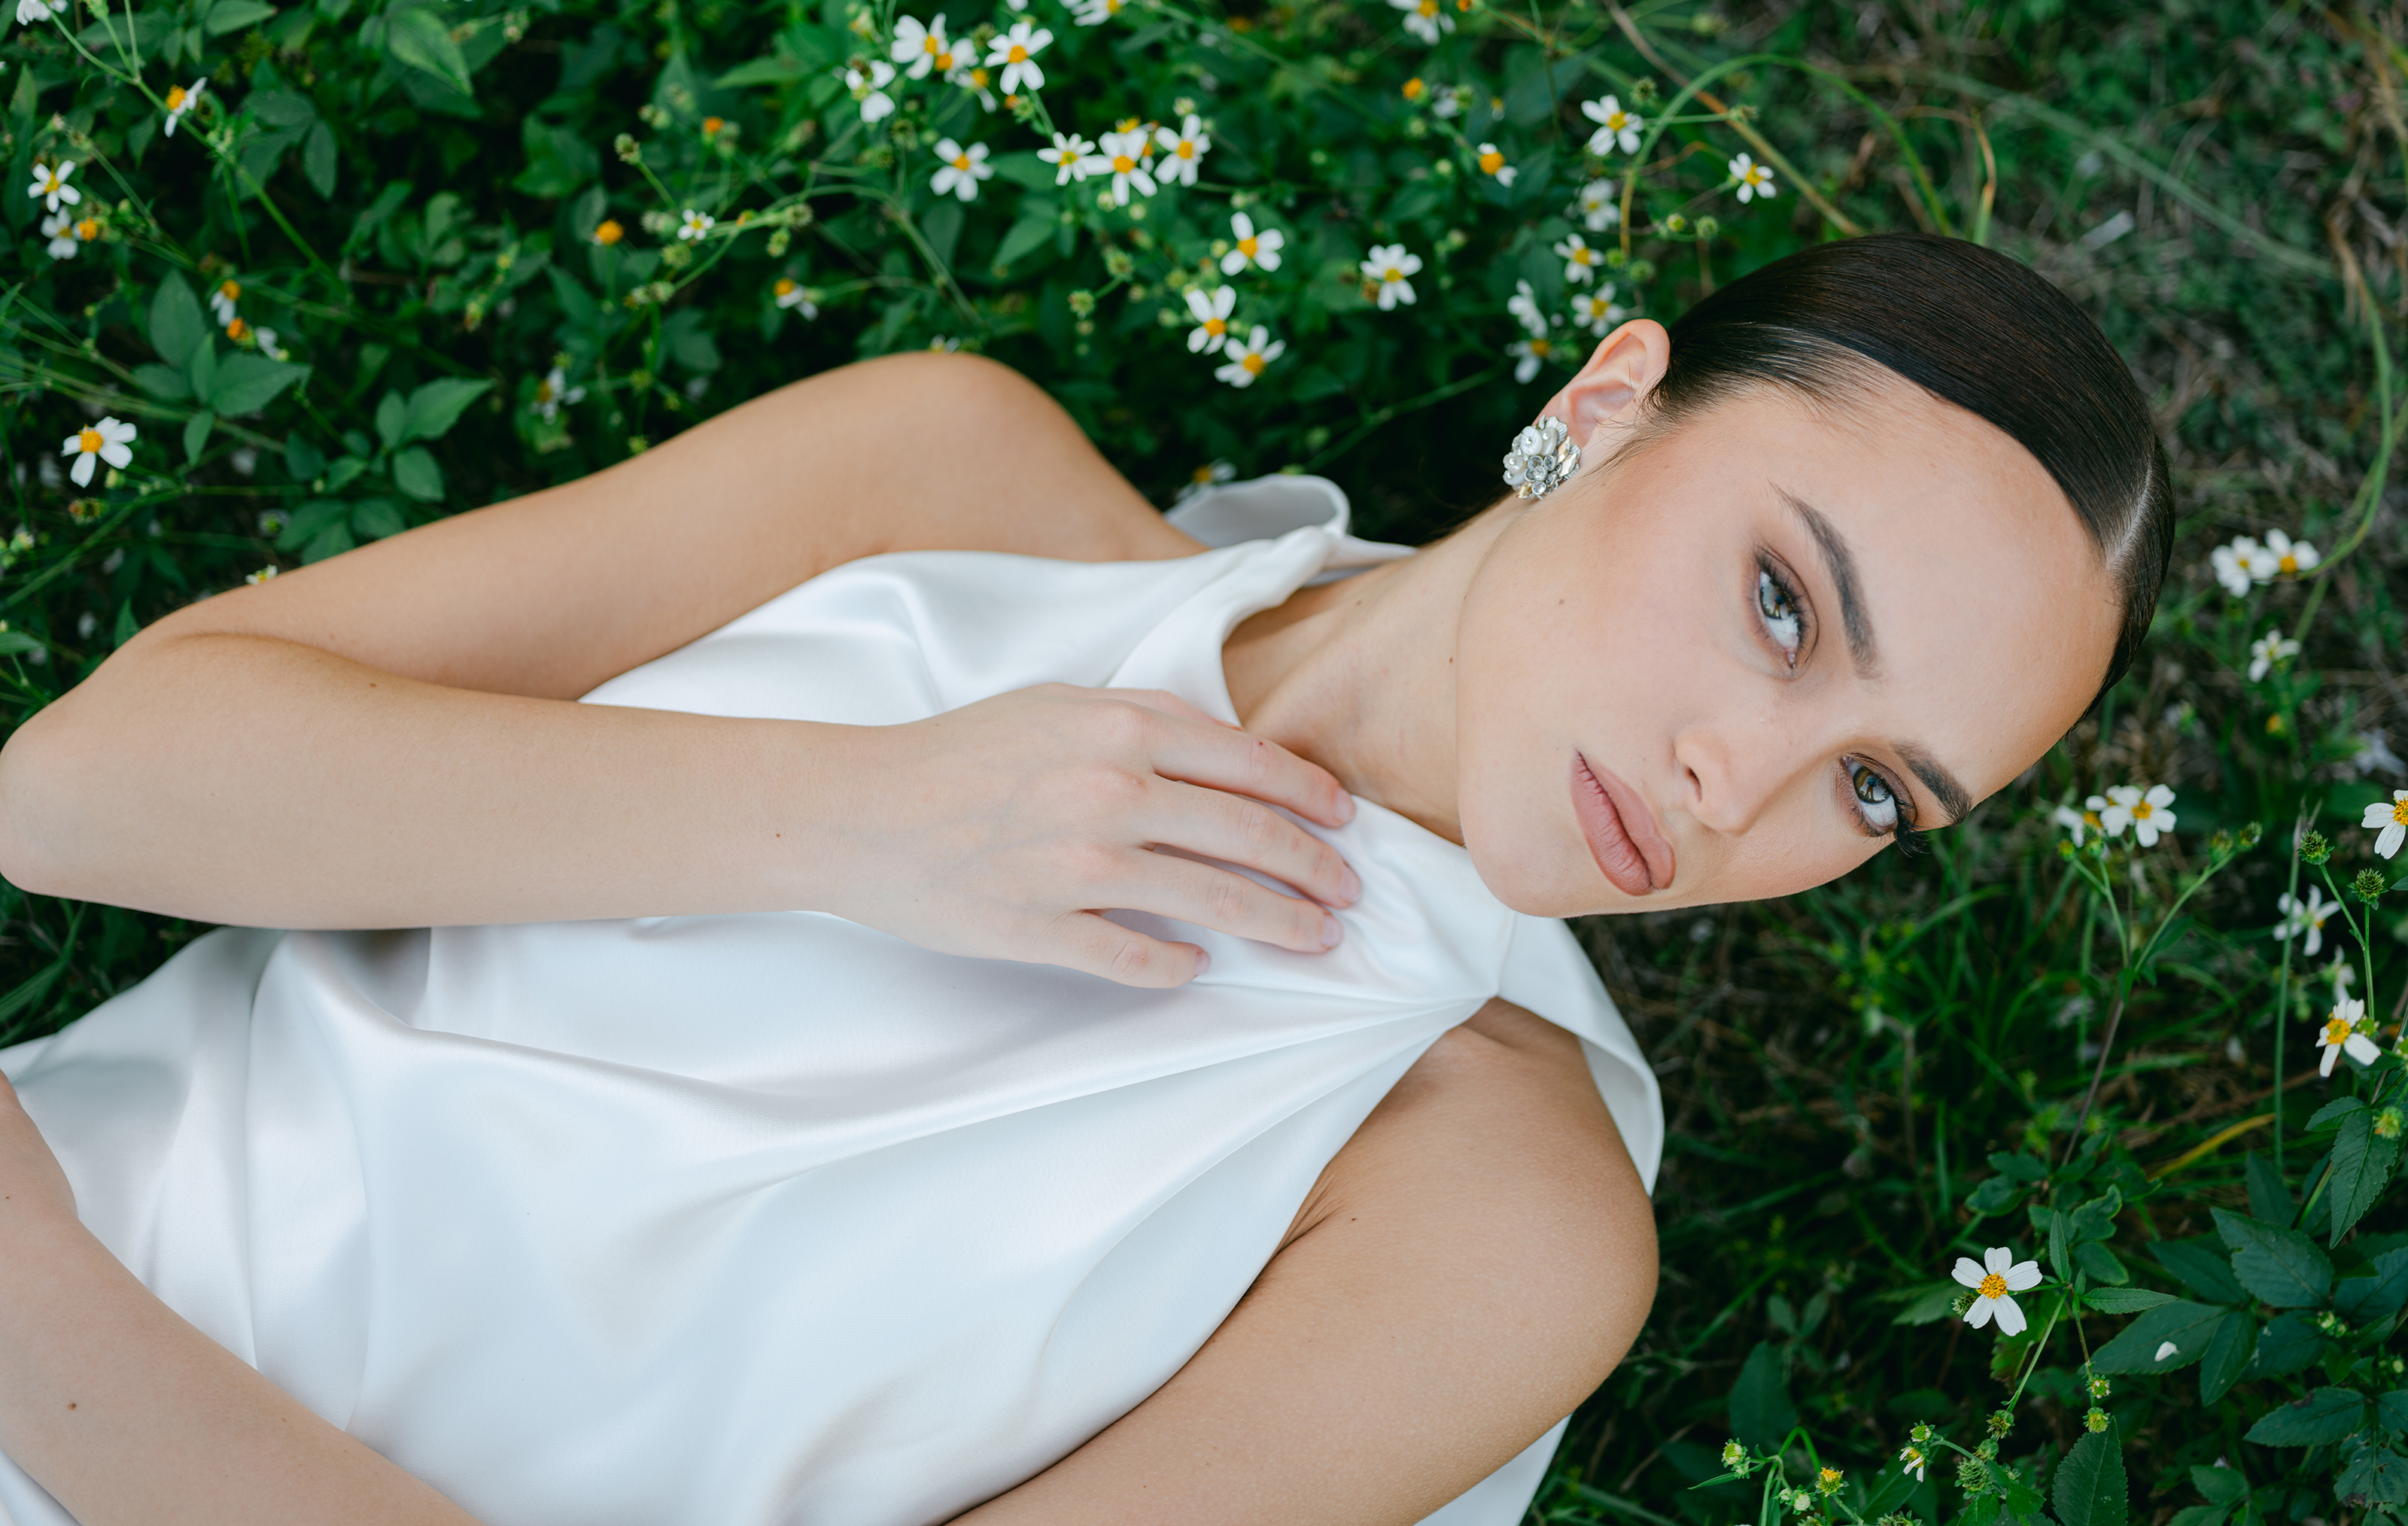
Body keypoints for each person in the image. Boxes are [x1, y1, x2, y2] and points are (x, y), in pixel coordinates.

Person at [0, 234, 2168, 1526]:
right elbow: (83, 789)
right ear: (1613, 405)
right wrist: (847, 821)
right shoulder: (951, 484)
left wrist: (50, 1335)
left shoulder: (1492, 1214)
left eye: (1877, 795)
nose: (1741, 785)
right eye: (1784, 604)